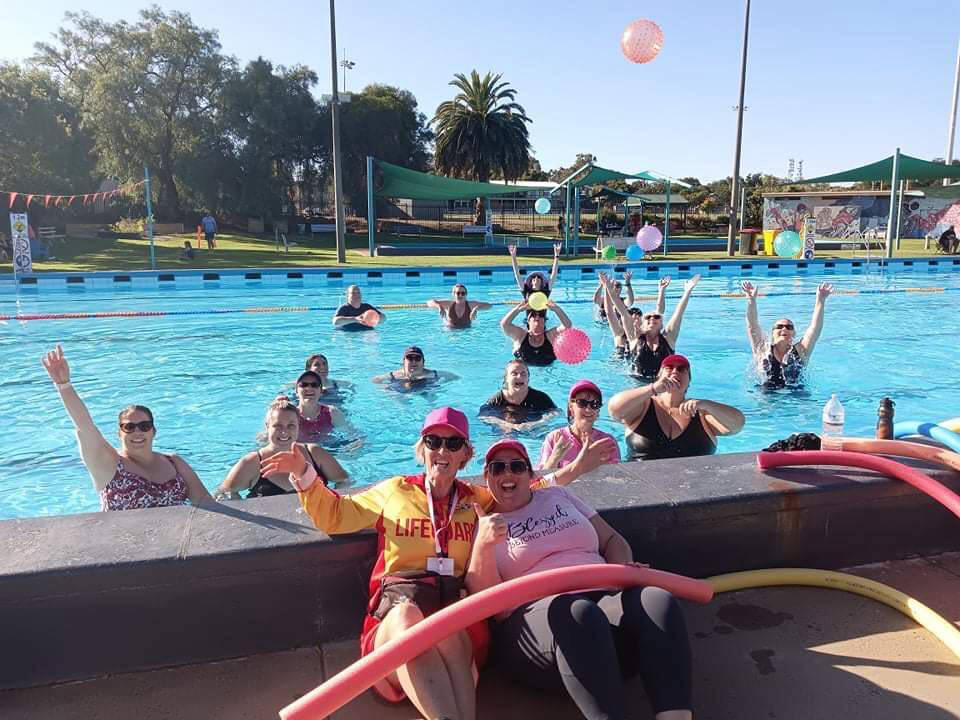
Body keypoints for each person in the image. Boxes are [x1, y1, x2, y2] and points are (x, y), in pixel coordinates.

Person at [261, 407, 612, 720]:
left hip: (452, 621)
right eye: (433, 442)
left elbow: (523, 486)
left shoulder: (476, 500)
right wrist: (304, 472)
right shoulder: (395, 491)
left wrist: (576, 468)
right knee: (408, 617)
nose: (442, 451)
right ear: (421, 449)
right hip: (396, 620)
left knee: (448, 626)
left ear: (466, 455)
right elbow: (335, 515)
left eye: (453, 444)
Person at [467, 439, 693, 720]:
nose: (507, 474)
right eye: (497, 468)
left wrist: (622, 571)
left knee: (655, 599)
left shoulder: (559, 496)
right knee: (578, 614)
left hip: (602, 598)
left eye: (516, 466)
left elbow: (611, 538)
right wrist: (483, 545)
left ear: (532, 474)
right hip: (539, 624)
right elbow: (490, 603)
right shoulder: (484, 523)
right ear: (487, 477)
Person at [41, 344, 213, 511]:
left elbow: (205, 502)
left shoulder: (174, 463)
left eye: (144, 426)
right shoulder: (109, 465)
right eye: (129, 427)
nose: (137, 432)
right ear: (119, 434)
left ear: (153, 432)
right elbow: (85, 426)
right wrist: (64, 385)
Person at [609, 354, 744, 461]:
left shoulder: (702, 414)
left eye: (681, 369)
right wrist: (653, 388)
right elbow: (615, 410)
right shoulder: (643, 406)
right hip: (643, 489)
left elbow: (737, 425)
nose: (675, 372)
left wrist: (706, 404)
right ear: (659, 376)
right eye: (669, 367)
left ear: (689, 381)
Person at [215, 397, 349, 499]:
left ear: (298, 426)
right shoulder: (252, 462)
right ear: (267, 427)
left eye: (291, 425)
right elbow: (223, 493)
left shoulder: (314, 453)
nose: (284, 432)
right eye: (278, 426)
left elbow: (344, 481)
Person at [601, 273, 700, 379]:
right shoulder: (634, 338)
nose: (652, 318)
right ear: (642, 325)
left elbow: (678, 313)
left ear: (662, 324)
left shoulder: (669, 339)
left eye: (656, 317)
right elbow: (623, 313)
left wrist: (687, 291)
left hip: (663, 385)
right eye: (648, 317)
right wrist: (610, 292)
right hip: (638, 386)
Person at [741, 280, 833, 389]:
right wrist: (751, 300)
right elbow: (752, 326)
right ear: (772, 333)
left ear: (793, 333)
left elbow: (815, 328)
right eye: (779, 326)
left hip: (796, 397)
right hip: (768, 397)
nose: (784, 328)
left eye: (789, 327)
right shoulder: (763, 348)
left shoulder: (801, 350)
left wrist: (820, 301)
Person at [538, 381, 621, 472]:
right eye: (582, 403)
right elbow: (540, 482)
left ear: (598, 411)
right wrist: (555, 458)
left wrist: (598, 461)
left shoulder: (607, 442)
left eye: (595, 404)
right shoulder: (555, 438)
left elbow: (617, 479)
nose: (588, 409)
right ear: (571, 407)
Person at [478, 359, 558, 431]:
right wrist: (507, 425)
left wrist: (537, 424)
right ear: (506, 379)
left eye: (523, 374)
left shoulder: (541, 398)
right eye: (514, 373)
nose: (519, 376)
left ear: (528, 378)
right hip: (507, 428)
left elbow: (556, 413)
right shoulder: (497, 400)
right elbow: (483, 417)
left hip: (532, 430)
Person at [500, 298, 572, 367]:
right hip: (523, 367)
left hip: (548, 366)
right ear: (528, 320)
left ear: (544, 321)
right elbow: (504, 324)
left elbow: (567, 326)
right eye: (533, 315)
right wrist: (517, 310)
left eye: (541, 315)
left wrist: (557, 309)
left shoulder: (550, 335)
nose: (537, 317)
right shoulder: (520, 335)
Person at [293, 371, 352, 442]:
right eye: (304, 385)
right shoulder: (290, 415)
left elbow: (354, 435)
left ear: (321, 391)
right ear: (296, 391)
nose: (309, 388)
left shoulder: (332, 413)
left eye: (314, 385)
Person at [372, 346, 459, 390]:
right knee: (399, 401)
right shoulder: (394, 376)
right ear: (404, 361)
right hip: (401, 388)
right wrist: (386, 389)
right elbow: (375, 380)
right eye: (410, 358)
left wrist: (442, 385)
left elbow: (455, 377)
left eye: (417, 358)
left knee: (431, 397)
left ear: (423, 362)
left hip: (426, 387)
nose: (414, 362)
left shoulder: (432, 374)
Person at [427, 284, 493, 328]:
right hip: (451, 332)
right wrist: (439, 306)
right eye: (458, 293)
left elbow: (489, 305)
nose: (460, 295)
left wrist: (476, 308)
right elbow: (429, 302)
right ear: (454, 294)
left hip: (466, 332)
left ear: (466, 294)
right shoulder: (449, 304)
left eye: (463, 293)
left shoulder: (470, 304)